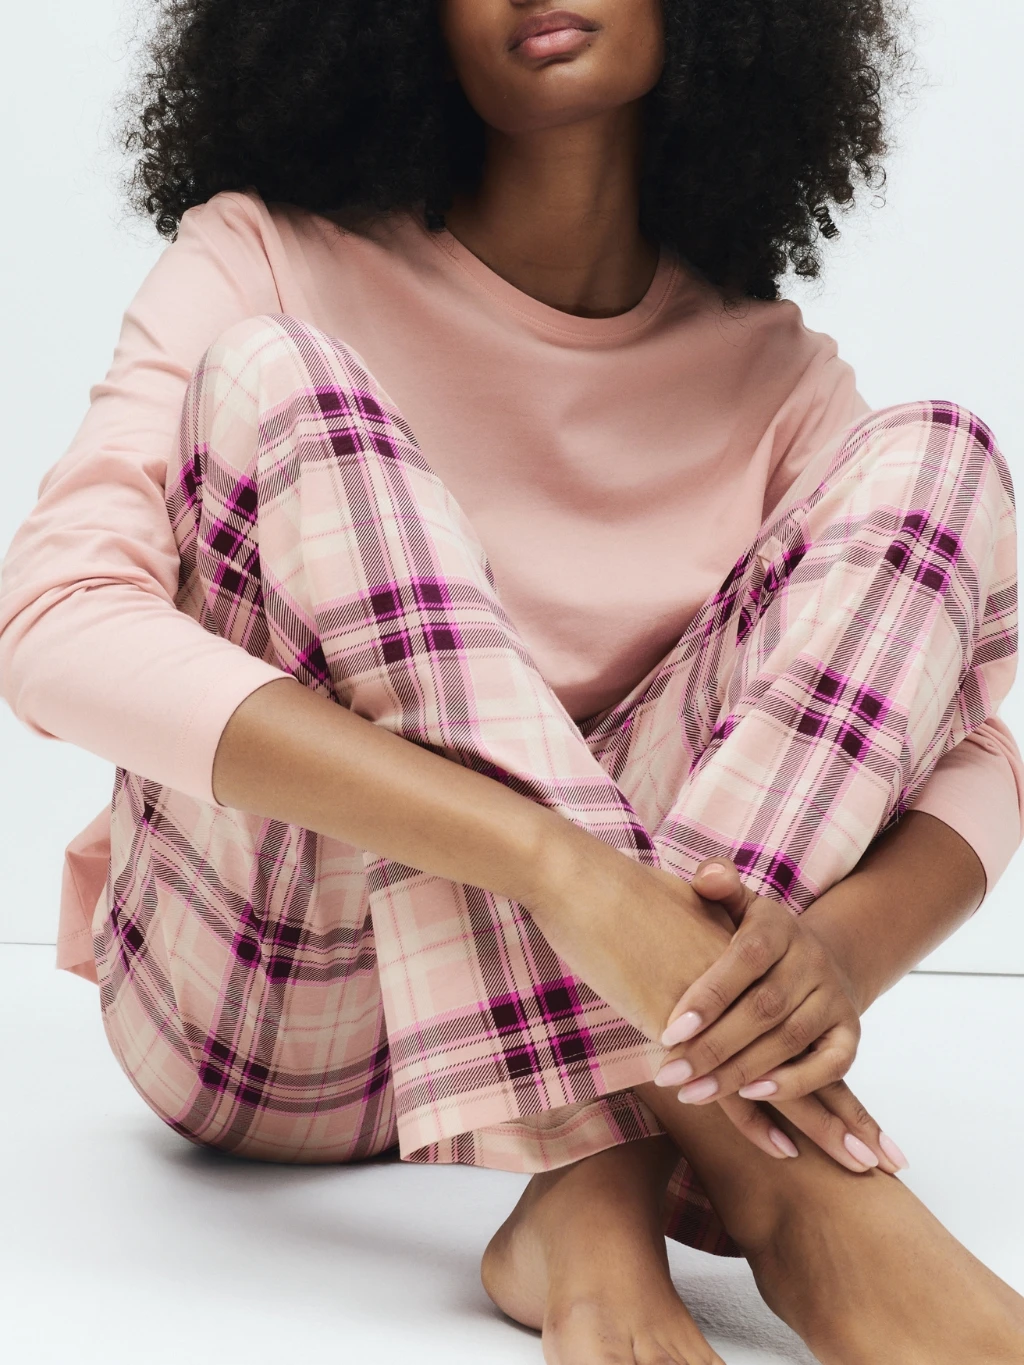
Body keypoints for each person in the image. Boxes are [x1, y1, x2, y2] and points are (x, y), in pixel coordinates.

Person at [2, 1, 1023, 1361]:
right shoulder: (262, 255)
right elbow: (56, 617)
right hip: (274, 1006)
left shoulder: (779, 379)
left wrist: (829, 957)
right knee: (291, 384)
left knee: (939, 461)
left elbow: (967, 746)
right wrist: (557, 865)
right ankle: (791, 1189)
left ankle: (587, 1191)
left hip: (629, 1020)